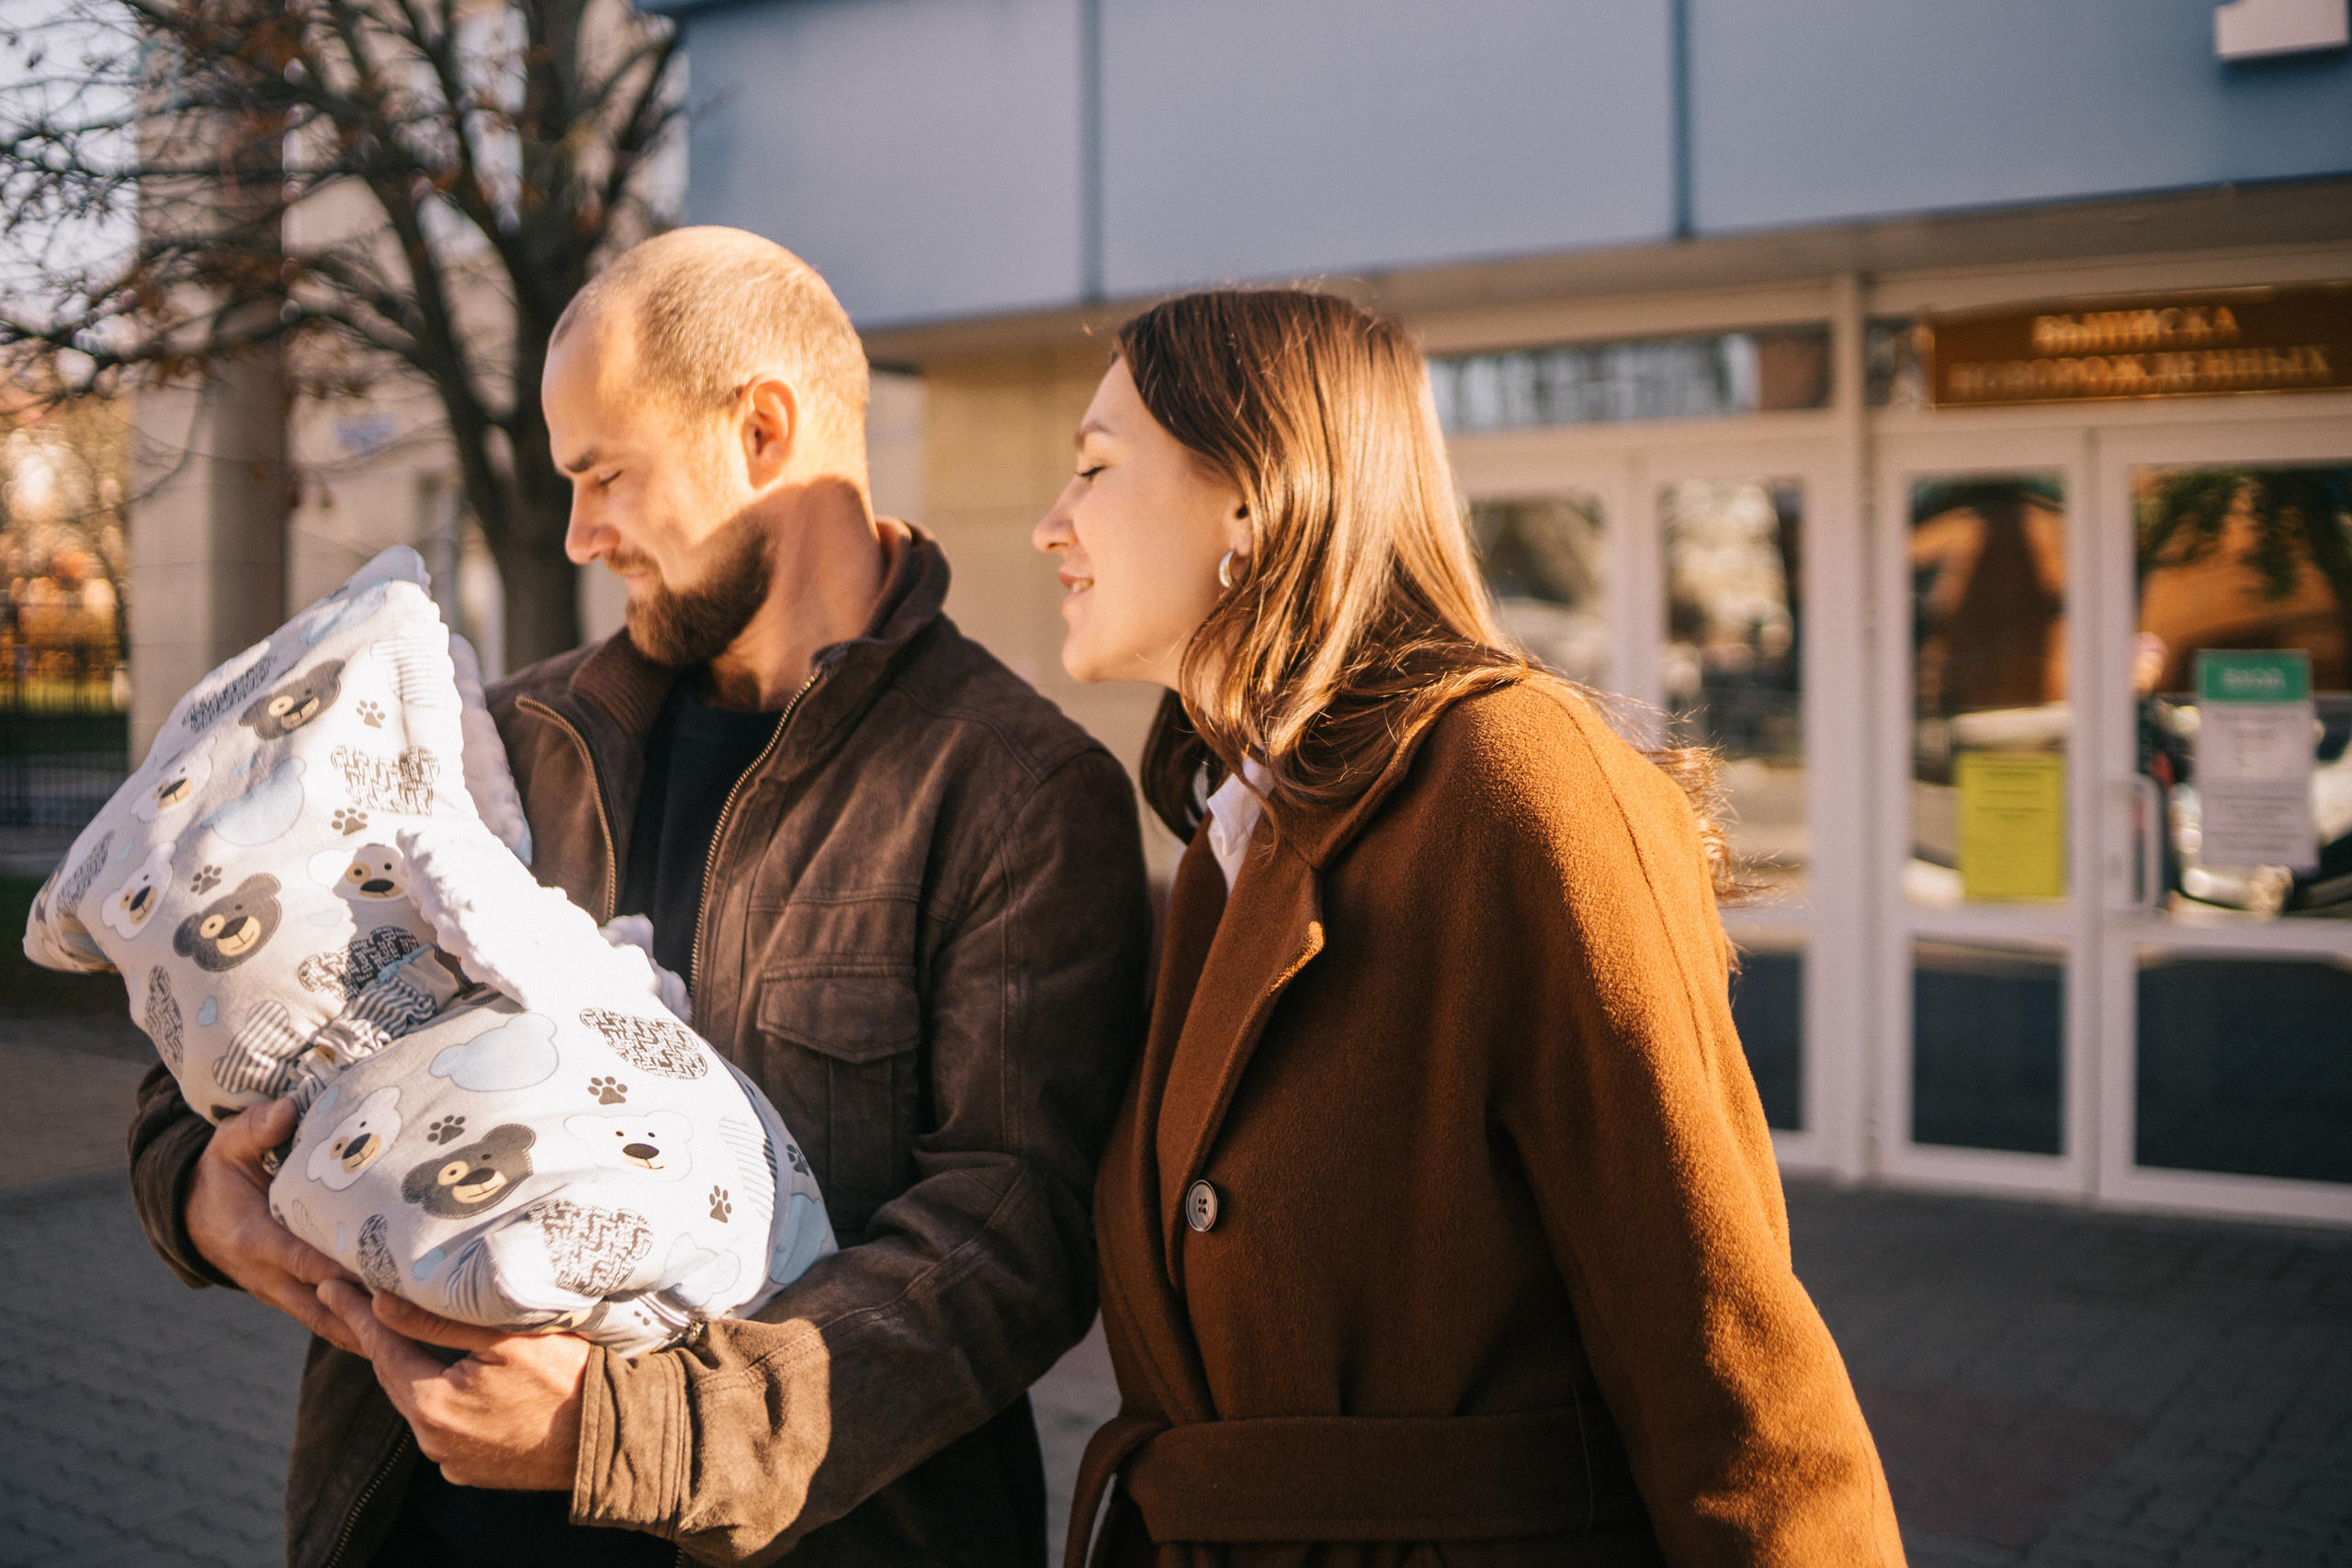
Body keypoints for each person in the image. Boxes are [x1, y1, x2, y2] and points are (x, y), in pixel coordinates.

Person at [127, 226, 1152, 1567]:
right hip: (411, 1529)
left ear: (765, 431)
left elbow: (1008, 1246)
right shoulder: (511, 738)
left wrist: (634, 1431)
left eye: (604, 472)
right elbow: (237, 1005)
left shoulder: (1015, 790)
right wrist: (193, 1191)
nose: (578, 531)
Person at [1034, 289, 1905, 1567]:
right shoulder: (1239, 836)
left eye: (1096, 469)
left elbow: (1724, 1361)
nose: (1054, 526)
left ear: (1252, 496)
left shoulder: (1515, 778)